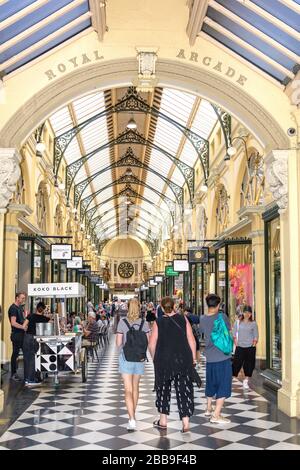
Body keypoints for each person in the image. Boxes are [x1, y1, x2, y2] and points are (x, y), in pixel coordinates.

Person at [149, 297, 201, 433]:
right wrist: (193, 358)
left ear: (161, 307)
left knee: (163, 390)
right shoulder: (183, 319)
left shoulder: (158, 322)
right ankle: (185, 423)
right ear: (174, 306)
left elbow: (152, 344)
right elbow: (192, 340)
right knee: (184, 390)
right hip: (182, 360)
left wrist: (155, 358)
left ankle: (163, 421)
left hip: (164, 361)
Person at [116, 298, 150, 432]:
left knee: (127, 390)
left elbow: (118, 343)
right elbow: (147, 341)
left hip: (126, 358)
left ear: (128, 308)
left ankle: (131, 419)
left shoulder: (122, 323)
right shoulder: (144, 323)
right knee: (136, 387)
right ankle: (133, 415)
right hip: (139, 358)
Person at [199, 294, 232, 424]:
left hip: (209, 358)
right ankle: (216, 415)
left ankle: (208, 408)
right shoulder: (222, 317)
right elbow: (228, 331)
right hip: (222, 357)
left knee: (211, 383)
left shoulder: (202, 318)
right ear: (218, 305)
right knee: (223, 385)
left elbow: (202, 331)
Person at [23, 301, 50, 387]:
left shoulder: (30, 316)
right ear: (43, 310)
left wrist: (28, 329)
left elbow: (24, 326)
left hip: (27, 338)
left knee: (27, 358)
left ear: (36, 308)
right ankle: (32, 379)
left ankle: (27, 378)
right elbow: (50, 327)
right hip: (36, 339)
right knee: (34, 358)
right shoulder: (44, 319)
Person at [232, 305, 259, 390]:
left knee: (249, 365)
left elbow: (256, 335)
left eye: (249, 313)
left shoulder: (253, 323)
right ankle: (231, 378)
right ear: (243, 313)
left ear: (251, 314)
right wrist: (235, 341)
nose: (247, 314)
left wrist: (254, 344)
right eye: (245, 312)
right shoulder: (238, 322)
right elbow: (234, 333)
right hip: (240, 346)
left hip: (250, 347)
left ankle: (246, 380)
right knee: (236, 363)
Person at [8, 292, 27, 382]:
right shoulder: (13, 308)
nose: (23, 300)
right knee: (15, 354)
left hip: (22, 334)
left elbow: (21, 320)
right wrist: (23, 327)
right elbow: (13, 322)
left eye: (24, 298)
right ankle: (13, 374)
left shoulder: (20, 308)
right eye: (22, 298)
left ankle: (27, 373)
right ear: (17, 298)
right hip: (16, 335)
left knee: (25, 353)